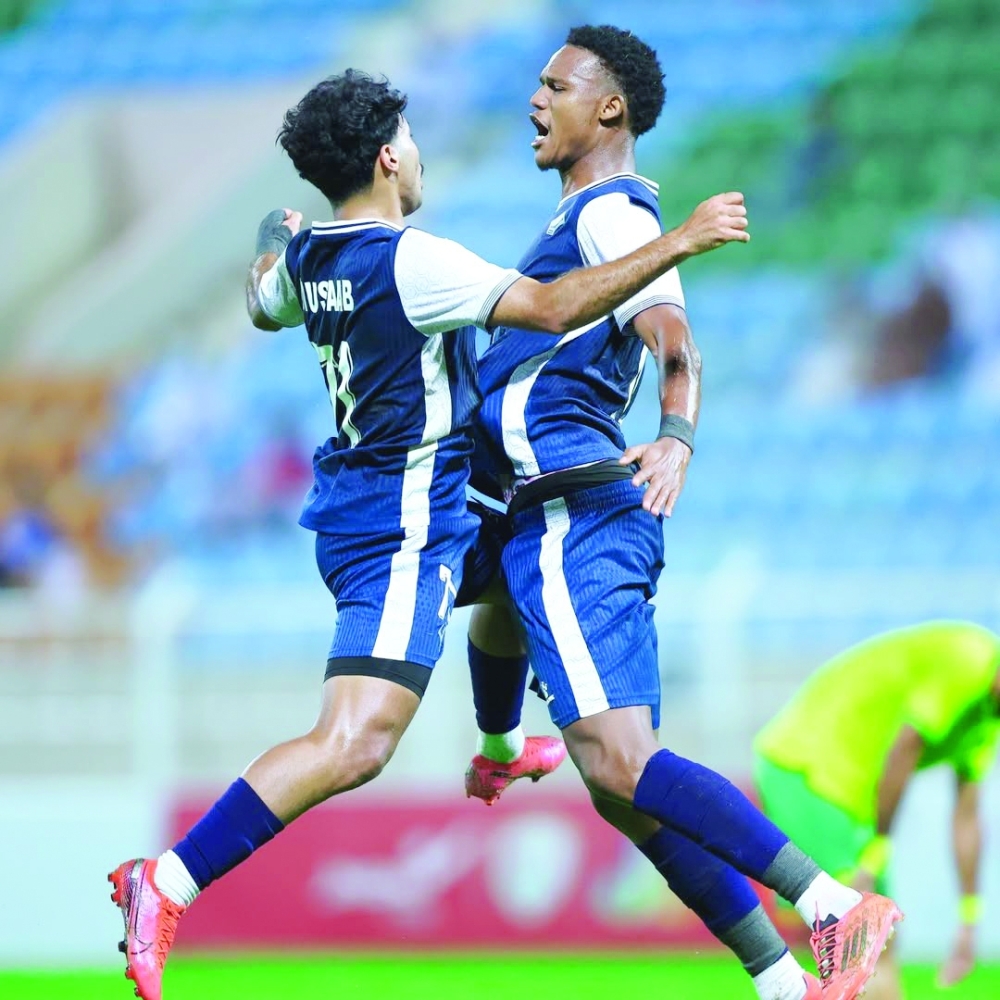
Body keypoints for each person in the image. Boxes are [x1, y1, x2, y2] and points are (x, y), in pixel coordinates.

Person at [107, 68, 752, 1000]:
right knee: (354, 743)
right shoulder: (413, 262)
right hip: (403, 530)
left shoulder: (309, 262)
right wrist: (681, 240)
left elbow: (259, 296)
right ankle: (167, 881)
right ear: (385, 157)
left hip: (403, 512)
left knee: (521, 562)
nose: (417, 155)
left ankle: (502, 746)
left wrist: (273, 238)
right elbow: (553, 309)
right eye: (408, 140)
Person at [461, 25, 902, 1000]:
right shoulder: (588, 221)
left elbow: (674, 339)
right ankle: (782, 980)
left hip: (573, 518)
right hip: (554, 520)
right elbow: (492, 617)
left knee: (623, 764)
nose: (535, 99)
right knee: (625, 790)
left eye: (556, 85)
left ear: (608, 106)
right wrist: (496, 738)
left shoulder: (613, 216)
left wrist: (676, 434)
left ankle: (831, 905)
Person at [755, 620, 1000, 1000]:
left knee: (879, 939)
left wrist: (969, 919)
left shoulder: (987, 716)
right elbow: (905, 749)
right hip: (810, 766)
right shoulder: (969, 659)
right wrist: (875, 855)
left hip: (849, 793)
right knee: (854, 934)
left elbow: (966, 816)